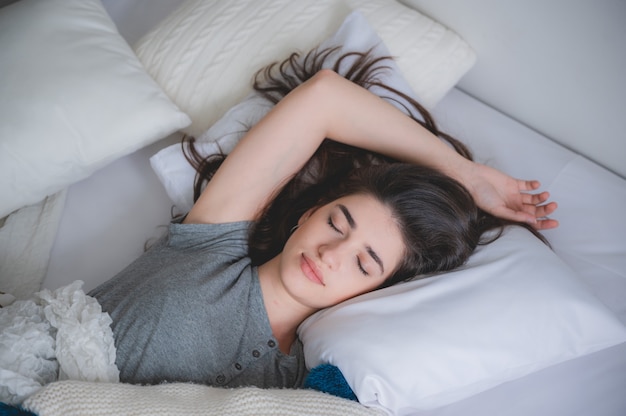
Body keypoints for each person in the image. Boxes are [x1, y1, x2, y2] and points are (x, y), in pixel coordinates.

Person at [89, 48, 558, 390]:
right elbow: (325, 100)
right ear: (310, 213)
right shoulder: (211, 246)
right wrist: (467, 177)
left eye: (365, 263)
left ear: (377, 290)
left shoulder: (305, 382)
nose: (331, 255)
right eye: (338, 223)